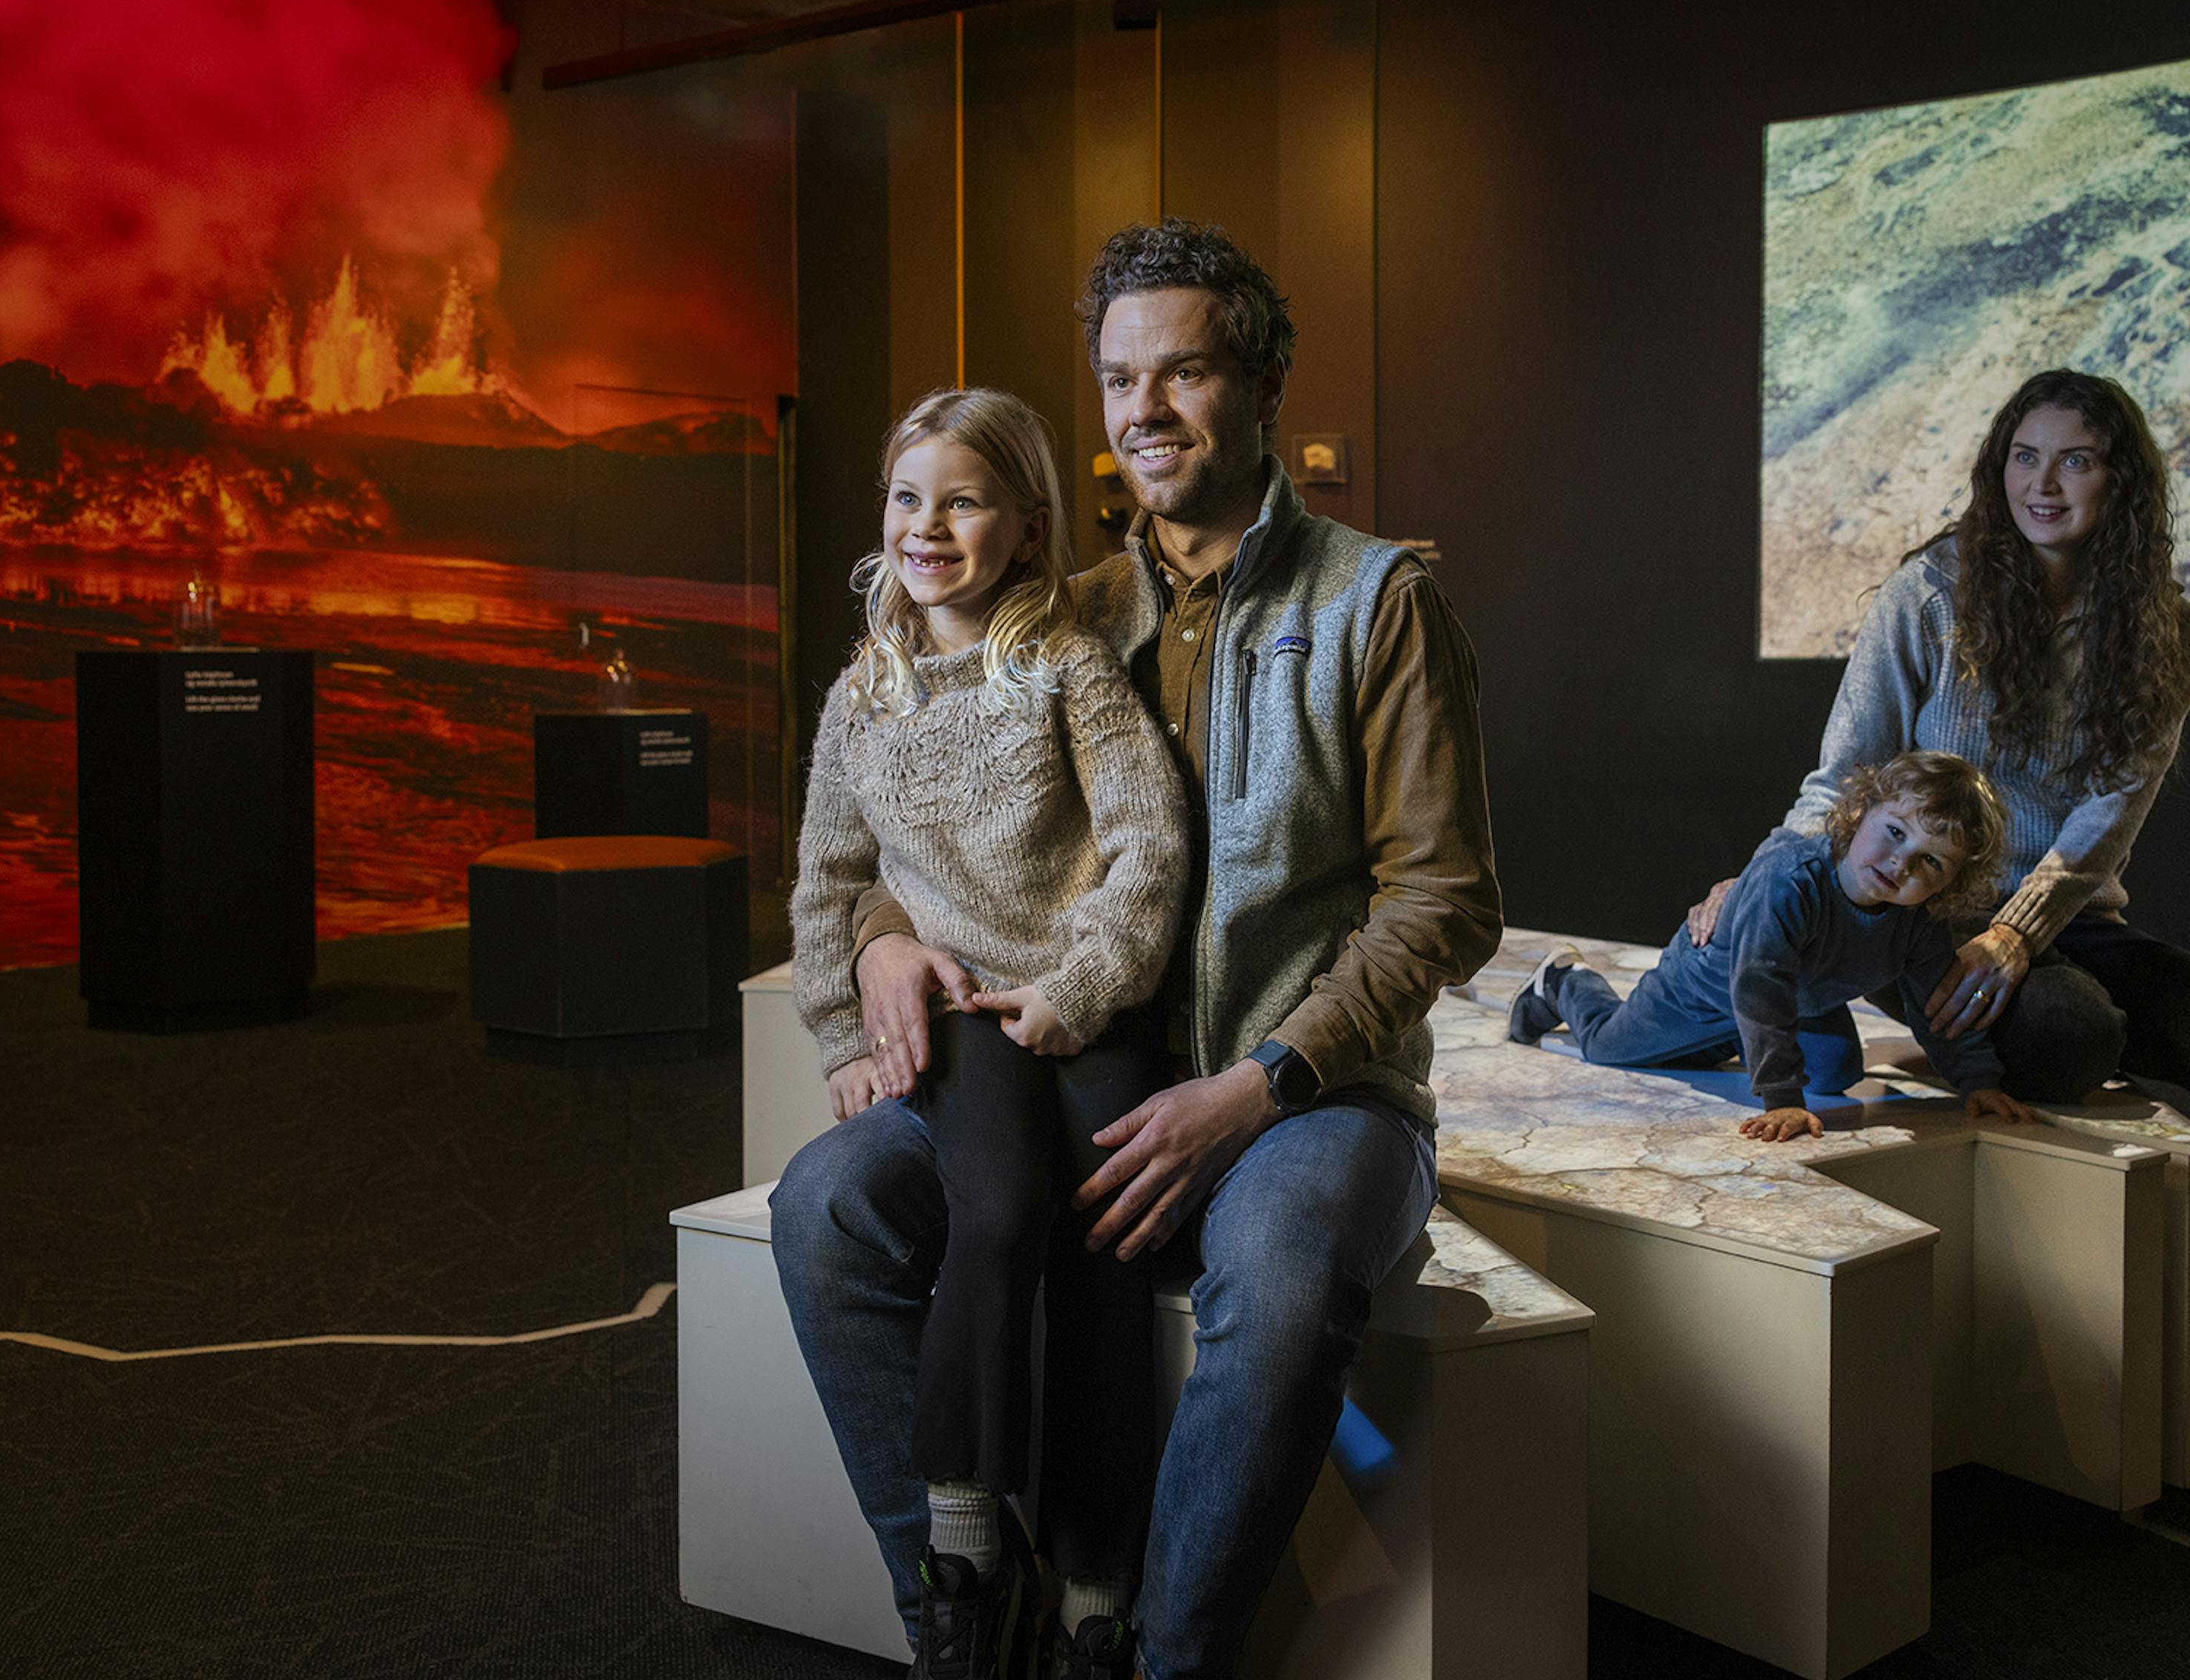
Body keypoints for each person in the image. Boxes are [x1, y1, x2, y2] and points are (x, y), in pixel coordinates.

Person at [771, 217, 1503, 1680]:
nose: (1146, 409)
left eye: (1185, 372)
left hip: (1306, 1094)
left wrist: (1258, 1083)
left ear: (1265, 382)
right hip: (1055, 1065)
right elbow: (917, 833)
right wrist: (882, 946)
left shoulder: (1379, 602)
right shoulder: (1055, 612)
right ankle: (963, 1617)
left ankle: (1146, 1653)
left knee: (1282, 1273)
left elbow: (1443, 900)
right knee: (824, 1206)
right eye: (1119, 379)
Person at [1686, 368, 2190, 1479]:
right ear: (1998, 470)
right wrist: (1767, 877)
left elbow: (2106, 821)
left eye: (2077, 459)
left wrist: (2021, 934)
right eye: (2025, 457)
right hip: (1925, 916)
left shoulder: (2165, 627)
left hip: (2064, 914)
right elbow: (1844, 773)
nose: (2045, 482)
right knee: (2071, 1034)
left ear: (2122, 482)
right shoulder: (1930, 593)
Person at [788, 386, 1194, 1680]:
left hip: (1080, 1000)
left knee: (1109, 1234)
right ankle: (963, 1547)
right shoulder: (863, 695)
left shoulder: (1068, 665)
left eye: (962, 502)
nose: (927, 526)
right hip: (964, 1017)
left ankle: (1095, 1580)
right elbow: (828, 879)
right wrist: (845, 1032)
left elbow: (1148, 843)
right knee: (1003, 1205)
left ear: (1025, 524)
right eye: (908, 499)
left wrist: (1083, 983)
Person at [1511, 751, 2021, 1144]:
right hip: (1707, 985)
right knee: (1606, 1047)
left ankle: (1744, 1037)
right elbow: (1759, 986)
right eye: (1894, 832)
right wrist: (1781, 1097)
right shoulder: (1788, 882)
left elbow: (1937, 1005)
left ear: (1952, 883)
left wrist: (1978, 1081)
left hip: (1801, 999)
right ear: (1860, 809)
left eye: (1931, 861)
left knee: (1837, 1073)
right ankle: (1564, 980)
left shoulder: (1920, 923)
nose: (1901, 863)